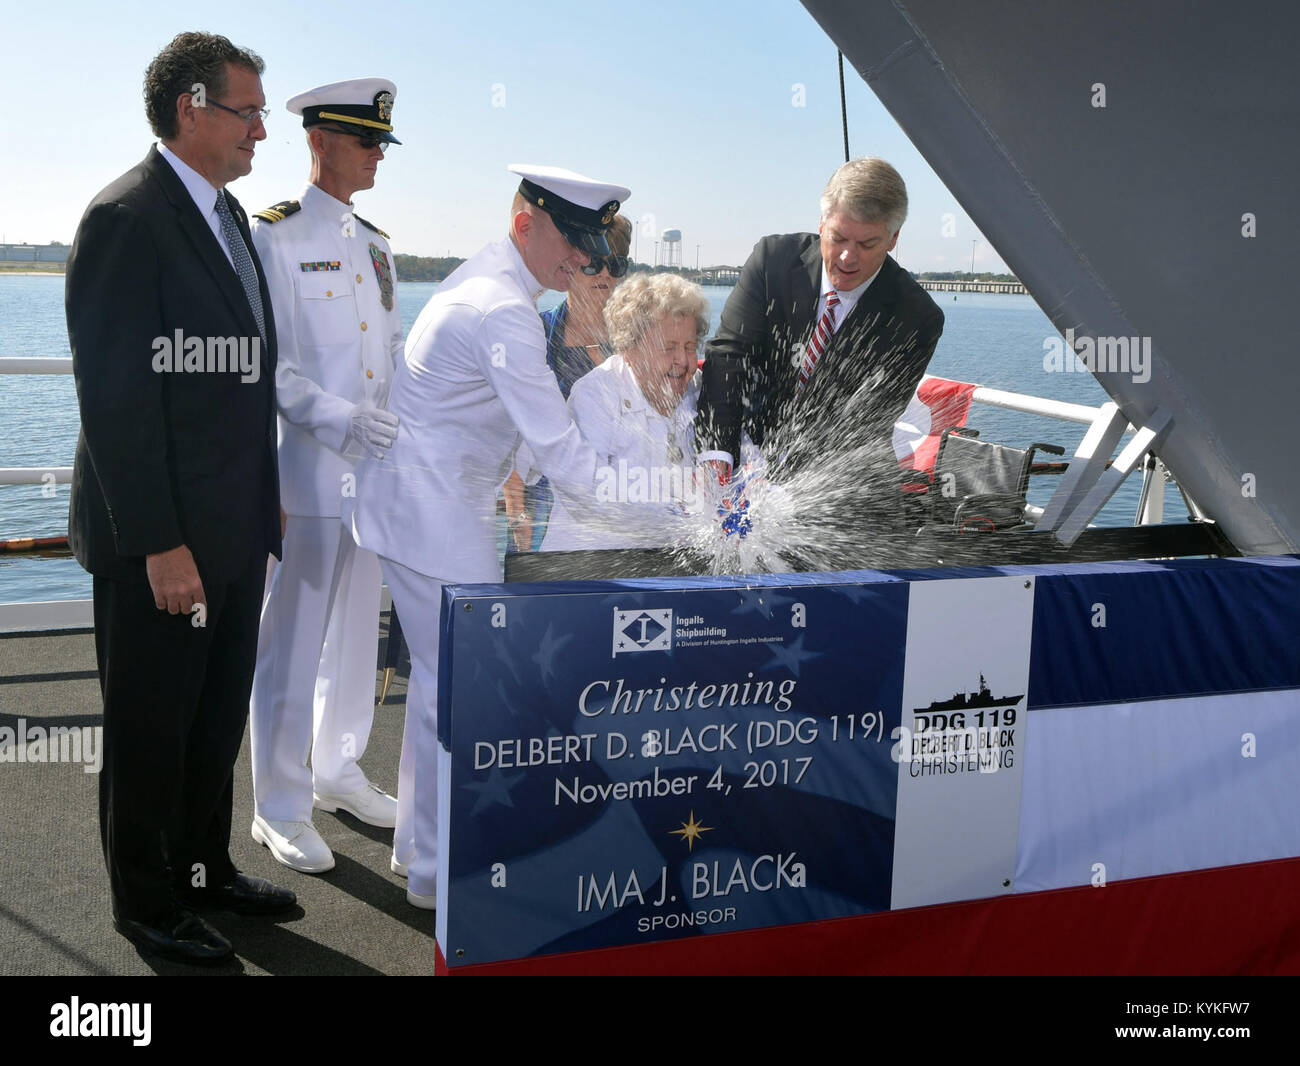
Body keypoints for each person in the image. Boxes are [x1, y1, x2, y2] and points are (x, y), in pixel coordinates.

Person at [348, 164, 636, 907]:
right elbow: (564, 455)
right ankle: (440, 879)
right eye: (573, 244)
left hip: (433, 503)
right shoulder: (502, 308)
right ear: (525, 224)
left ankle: (419, 850)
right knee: (460, 696)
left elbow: (531, 439)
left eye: (591, 247)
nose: (583, 262)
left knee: (437, 695)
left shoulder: (495, 283)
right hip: (434, 514)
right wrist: (669, 508)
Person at [65, 31, 292, 966]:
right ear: (192, 108)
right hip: (161, 544)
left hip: (234, 534)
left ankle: (206, 868)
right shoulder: (126, 217)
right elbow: (118, 405)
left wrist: (265, 501)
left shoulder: (227, 217)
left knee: (213, 717)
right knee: (152, 728)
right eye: (248, 112)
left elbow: (246, 380)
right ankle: (146, 903)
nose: (261, 133)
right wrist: (159, 543)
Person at [246, 79, 404, 874]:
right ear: (319, 141)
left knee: (355, 635)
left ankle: (339, 767)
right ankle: (278, 802)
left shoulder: (375, 243)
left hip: (372, 477)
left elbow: (389, 358)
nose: (378, 155)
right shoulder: (271, 235)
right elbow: (269, 367)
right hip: (308, 476)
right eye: (365, 140)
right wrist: (342, 421)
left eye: (381, 143)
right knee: (293, 639)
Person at [695, 157, 944, 525]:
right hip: (741, 462)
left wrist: (779, 491)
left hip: (842, 498)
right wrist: (718, 454)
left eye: (867, 243)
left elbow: (861, 421)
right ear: (821, 223)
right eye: (838, 237)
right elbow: (728, 358)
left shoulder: (917, 317)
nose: (847, 256)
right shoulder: (772, 261)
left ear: (893, 239)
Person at [542, 272, 711, 550]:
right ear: (629, 349)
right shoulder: (596, 395)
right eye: (668, 348)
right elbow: (588, 494)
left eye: (690, 347)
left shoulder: (700, 389)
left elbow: (742, 457)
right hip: (586, 574)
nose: (682, 360)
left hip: (667, 569)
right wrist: (677, 520)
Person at [503, 213, 633, 550]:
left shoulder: (640, 341)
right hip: (547, 517)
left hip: (627, 518)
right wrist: (517, 511)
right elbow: (509, 431)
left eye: (615, 264)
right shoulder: (537, 334)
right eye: (594, 263)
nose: (604, 273)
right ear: (572, 263)